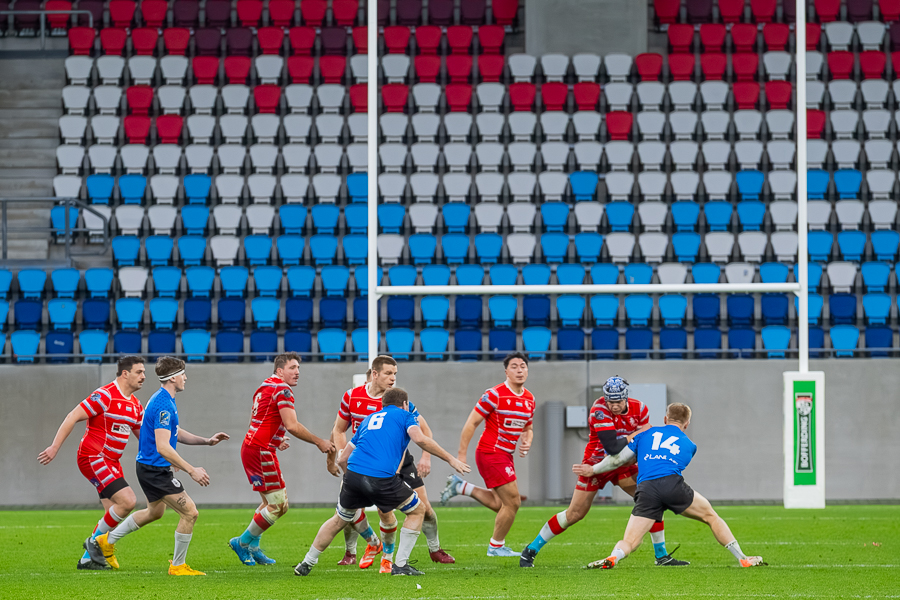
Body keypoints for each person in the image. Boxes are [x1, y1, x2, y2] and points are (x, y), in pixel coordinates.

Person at [294, 388, 469, 577]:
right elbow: (420, 439)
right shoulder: (406, 415)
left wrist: (350, 479)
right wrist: (451, 459)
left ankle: (306, 563)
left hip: (353, 474)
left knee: (339, 520)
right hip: (380, 477)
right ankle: (400, 566)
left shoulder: (368, 420)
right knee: (418, 510)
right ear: (404, 404)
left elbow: (343, 458)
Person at [577, 403, 765, 570]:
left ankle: (614, 556)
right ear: (687, 424)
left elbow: (617, 460)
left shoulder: (645, 434)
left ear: (665, 419)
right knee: (711, 516)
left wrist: (593, 469)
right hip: (672, 485)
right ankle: (742, 558)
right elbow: (671, 463)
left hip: (646, 489)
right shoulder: (690, 445)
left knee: (630, 541)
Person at [520, 376, 684, 568]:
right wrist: (635, 434)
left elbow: (642, 443)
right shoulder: (599, 410)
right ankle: (531, 549)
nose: (613, 406)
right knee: (574, 514)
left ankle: (661, 555)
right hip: (595, 465)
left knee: (653, 500)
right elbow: (612, 447)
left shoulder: (640, 409)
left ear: (626, 397)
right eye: (610, 401)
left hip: (625, 464)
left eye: (618, 401)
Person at [91, 357, 229, 575]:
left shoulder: (163, 399)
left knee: (154, 512)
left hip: (150, 467)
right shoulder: (164, 404)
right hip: (154, 471)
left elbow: (175, 433)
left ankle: (106, 541)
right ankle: (178, 566)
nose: (185, 378)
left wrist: (207, 441)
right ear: (173, 378)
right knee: (190, 513)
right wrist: (191, 470)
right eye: (182, 374)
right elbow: (163, 446)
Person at [326, 356, 456, 572]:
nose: (393, 378)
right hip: (366, 463)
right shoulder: (351, 396)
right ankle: (370, 551)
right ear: (374, 374)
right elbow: (338, 430)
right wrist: (342, 457)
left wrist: (426, 457)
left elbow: (424, 432)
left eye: (395, 373)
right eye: (388, 373)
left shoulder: (401, 403)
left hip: (399, 461)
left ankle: (435, 549)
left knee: (425, 510)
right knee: (353, 511)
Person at [38, 356, 147, 570]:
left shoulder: (135, 405)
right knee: (127, 501)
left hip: (112, 462)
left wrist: (165, 458)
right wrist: (54, 447)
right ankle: (94, 542)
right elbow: (72, 416)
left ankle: (87, 559)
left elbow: (144, 438)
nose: (143, 376)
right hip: (93, 456)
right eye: (139, 372)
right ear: (125, 374)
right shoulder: (105, 395)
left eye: (144, 372)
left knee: (113, 512)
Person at [229, 352, 335, 566]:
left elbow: (258, 420)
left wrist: (275, 439)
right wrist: (318, 441)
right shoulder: (282, 389)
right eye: (292, 368)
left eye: (298, 368)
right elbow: (292, 425)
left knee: (270, 503)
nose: (297, 372)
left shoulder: (265, 386)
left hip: (254, 447)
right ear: (279, 370)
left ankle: (253, 547)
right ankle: (242, 542)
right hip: (260, 450)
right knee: (278, 506)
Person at [440, 352, 535, 557]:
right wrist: (461, 455)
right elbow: (471, 423)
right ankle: (496, 547)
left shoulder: (529, 399)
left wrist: (527, 440)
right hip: (491, 452)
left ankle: (461, 487)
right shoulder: (494, 394)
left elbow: (528, 428)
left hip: (506, 455)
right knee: (514, 502)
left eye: (523, 366)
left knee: (501, 504)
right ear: (506, 371)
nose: (519, 370)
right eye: (514, 366)